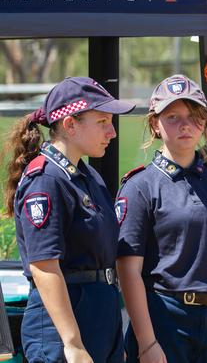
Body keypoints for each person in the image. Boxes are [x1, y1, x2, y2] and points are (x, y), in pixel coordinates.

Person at [116, 74, 207, 363]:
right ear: (155, 123)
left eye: (194, 116)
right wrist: (147, 342)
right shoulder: (139, 186)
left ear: (205, 122)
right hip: (164, 320)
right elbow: (128, 271)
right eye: (173, 117)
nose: (186, 125)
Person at [3, 77, 134, 362]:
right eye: (102, 122)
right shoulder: (46, 180)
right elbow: (44, 266)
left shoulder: (87, 177)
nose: (112, 132)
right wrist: (72, 343)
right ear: (70, 125)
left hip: (99, 317)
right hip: (62, 327)